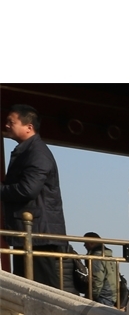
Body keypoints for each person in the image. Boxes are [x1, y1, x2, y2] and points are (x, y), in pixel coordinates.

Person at [3, 105, 68, 292]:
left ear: (28, 127)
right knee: (26, 291)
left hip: (39, 234)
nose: (6, 125)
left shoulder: (37, 153)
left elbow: (27, 190)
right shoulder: (28, 150)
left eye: (11, 122)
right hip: (30, 233)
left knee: (43, 293)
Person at [78, 233, 120, 306]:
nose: (84, 245)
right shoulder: (108, 256)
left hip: (102, 295)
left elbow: (97, 279)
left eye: (85, 243)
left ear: (91, 243)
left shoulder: (96, 257)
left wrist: (91, 295)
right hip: (111, 294)